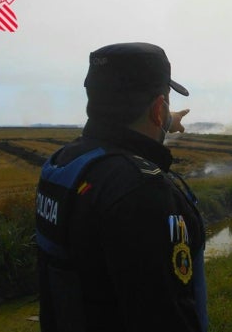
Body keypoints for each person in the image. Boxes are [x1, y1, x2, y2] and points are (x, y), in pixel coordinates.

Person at [35, 42, 207, 332]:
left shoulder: (65, 165)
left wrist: (165, 118)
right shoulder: (144, 191)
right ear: (157, 109)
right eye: (164, 106)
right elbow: (165, 317)